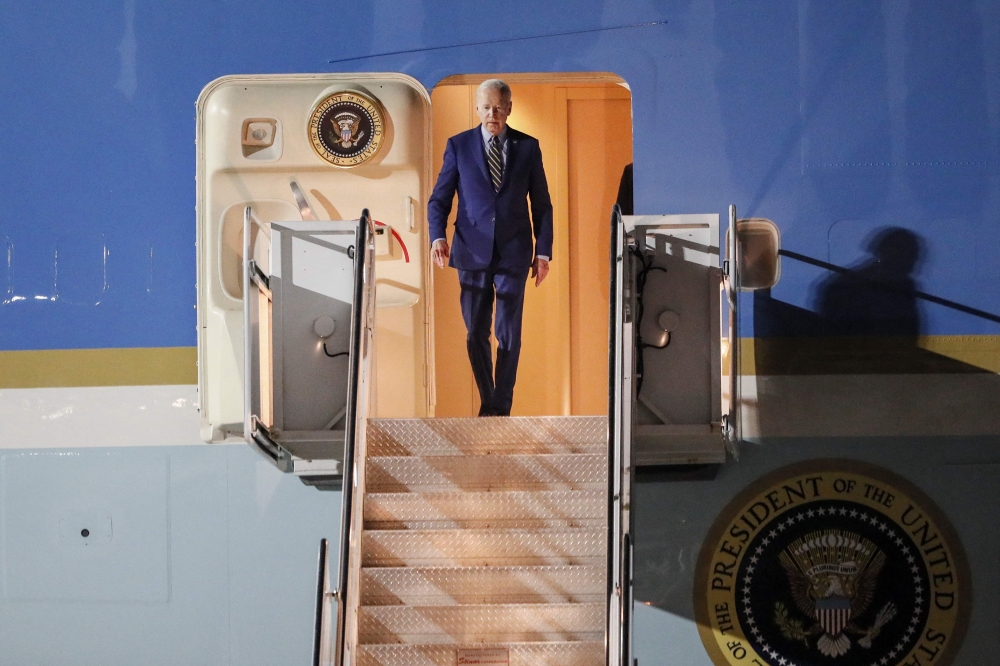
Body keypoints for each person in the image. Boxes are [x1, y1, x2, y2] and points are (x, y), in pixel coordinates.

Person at [428, 79, 553, 416]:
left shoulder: (528, 147)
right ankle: (490, 401)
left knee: (508, 333)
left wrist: (543, 253)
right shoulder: (459, 146)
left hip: (514, 252)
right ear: (477, 108)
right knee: (475, 333)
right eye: (485, 107)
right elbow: (439, 199)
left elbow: (542, 205)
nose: (492, 114)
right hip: (471, 251)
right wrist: (437, 237)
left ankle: (501, 408)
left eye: (498, 108)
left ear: (509, 108)